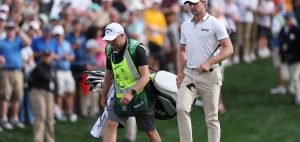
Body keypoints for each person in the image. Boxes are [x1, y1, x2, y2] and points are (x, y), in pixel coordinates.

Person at [176, 1, 233, 142]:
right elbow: (182, 50)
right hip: (189, 74)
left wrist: (209, 62)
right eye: (190, 4)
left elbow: (228, 48)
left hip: (210, 76)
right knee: (181, 108)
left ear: (204, 3)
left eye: (195, 3)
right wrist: (180, 72)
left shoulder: (216, 24)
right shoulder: (185, 26)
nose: (192, 7)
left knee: (211, 117)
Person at [100, 22, 161, 142]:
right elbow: (108, 75)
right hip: (120, 96)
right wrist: (103, 96)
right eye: (108, 40)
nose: (110, 43)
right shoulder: (109, 50)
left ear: (122, 35)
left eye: (113, 39)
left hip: (141, 94)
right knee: (111, 123)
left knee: (150, 131)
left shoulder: (137, 49)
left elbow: (145, 76)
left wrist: (131, 93)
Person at [29, 49, 56, 142]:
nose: (47, 58)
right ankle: (38, 139)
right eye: (45, 56)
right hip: (38, 92)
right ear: (42, 57)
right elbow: (46, 78)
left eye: (48, 56)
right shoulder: (38, 67)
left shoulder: (52, 67)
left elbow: (53, 80)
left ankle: (50, 139)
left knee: (49, 118)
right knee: (40, 117)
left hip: (49, 93)